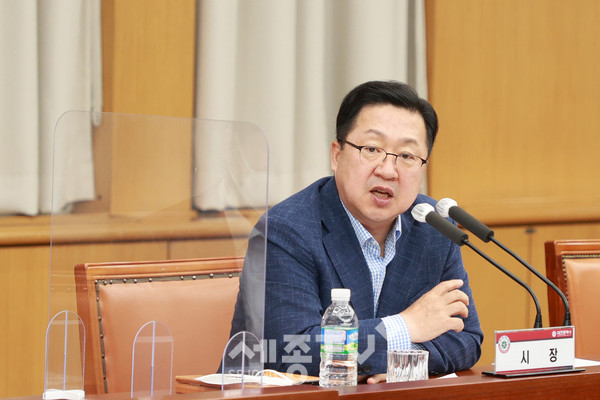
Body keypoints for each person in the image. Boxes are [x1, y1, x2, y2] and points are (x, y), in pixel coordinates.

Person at [230, 80, 483, 380]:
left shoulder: (433, 225)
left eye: (407, 156)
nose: (388, 170)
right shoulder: (285, 230)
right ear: (336, 155)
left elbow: (466, 339)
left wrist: (398, 366)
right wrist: (406, 327)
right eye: (372, 149)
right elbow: (292, 351)